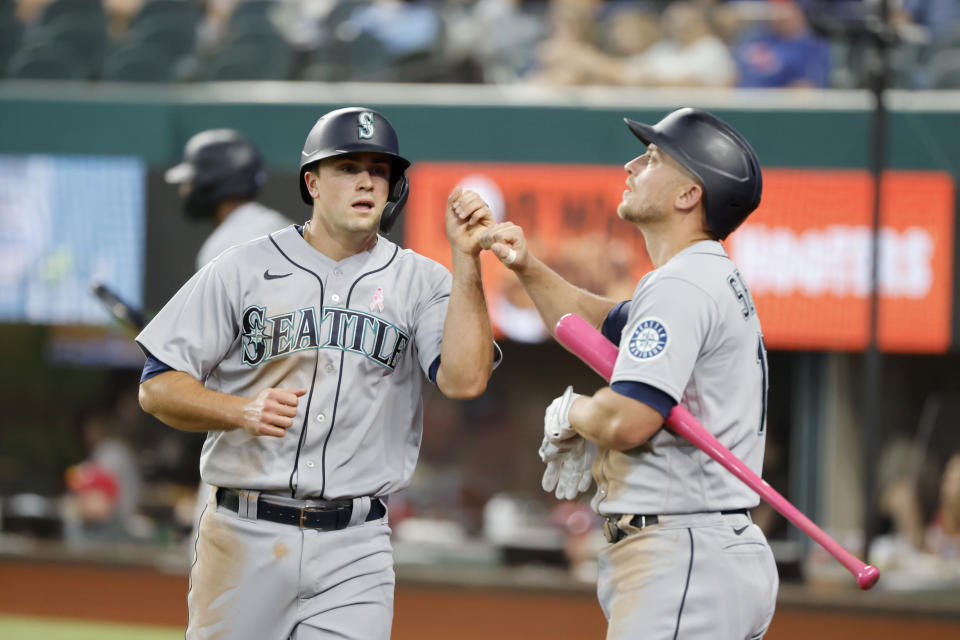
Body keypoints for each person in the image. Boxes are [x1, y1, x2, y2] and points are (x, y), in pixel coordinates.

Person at [136, 106, 499, 640]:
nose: (366, 181)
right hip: (245, 534)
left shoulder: (422, 280)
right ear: (312, 181)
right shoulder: (241, 267)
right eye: (348, 167)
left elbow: (465, 380)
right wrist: (239, 410)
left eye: (379, 170)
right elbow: (157, 385)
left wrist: (468, 263)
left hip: (356, 547)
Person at [480, 107, 778, 639]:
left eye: (654, 158)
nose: (632, 163)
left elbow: (627, 421)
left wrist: (575, 410)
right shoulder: (703, 275)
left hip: (684, 554)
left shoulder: (682, 285)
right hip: (709, 549)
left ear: (689, 195)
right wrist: (526, 266)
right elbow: (591, 321)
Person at [165, 128, 292, 271]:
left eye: (191, 181)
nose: (184, 190)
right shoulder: (282, 226)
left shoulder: (223, 248)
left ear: (211, 182)